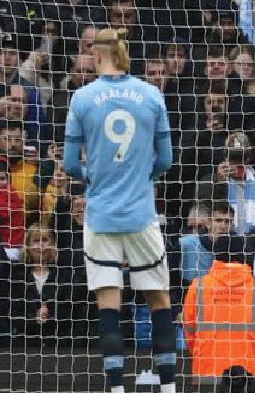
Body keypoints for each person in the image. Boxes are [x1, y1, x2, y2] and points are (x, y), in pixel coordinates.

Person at [62, 27, 176, 393]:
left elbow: (68, 164)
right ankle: (169, 388)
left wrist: (92, 177)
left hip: (101, 215)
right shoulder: (151, 94)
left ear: (97, 55)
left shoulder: (81, 98)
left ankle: (116, 389)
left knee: (108, 302)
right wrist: (143, 176)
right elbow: (167, 160)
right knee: (159, 299)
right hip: (142, 213)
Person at [182, 234, 255, 382]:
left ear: (216, 255)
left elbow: (188, 333)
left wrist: (201, 354)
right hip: (248, 375)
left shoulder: (197, 286)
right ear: (243, 254)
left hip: (207, 373)